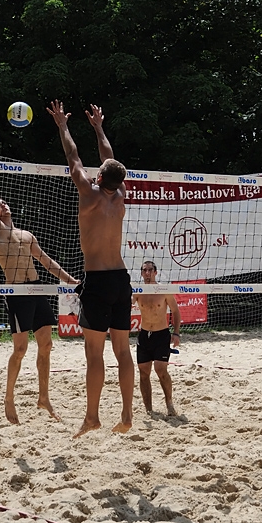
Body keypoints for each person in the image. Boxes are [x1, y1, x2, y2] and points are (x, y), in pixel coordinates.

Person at [0, 136, 79, 425]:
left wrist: (71, 280)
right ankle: (9, 397)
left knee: (46, 345)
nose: (2, 205)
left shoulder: (26, 235)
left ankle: (43, 397)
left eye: (4, 202)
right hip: (17, 292)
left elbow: (46, 261)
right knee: (20, 349)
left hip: (37, 289)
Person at [47, 100, 134, 437]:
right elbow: (109, 159)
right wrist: (99, 128)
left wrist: (62, 125)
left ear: (99, 177)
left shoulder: (89, 192)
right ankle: (126, 414)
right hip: (121, 279)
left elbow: (73, 158)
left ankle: (93, 416)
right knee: (123, 351)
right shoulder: (120, 194)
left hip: (97, 281)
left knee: (94, 353)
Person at [133, 261, 181, 416]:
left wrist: (176, 333)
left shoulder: (163, 290)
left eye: (150, 270)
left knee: (161, 370)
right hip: (144, 335)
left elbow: (176, 311)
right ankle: (149, 409)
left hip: (161, 335)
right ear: (141, 273)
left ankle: (169, 404)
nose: (147, 273)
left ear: (155, 272)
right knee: (144, 372)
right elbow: (126, 305)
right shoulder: (138, 291)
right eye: (144, 270)